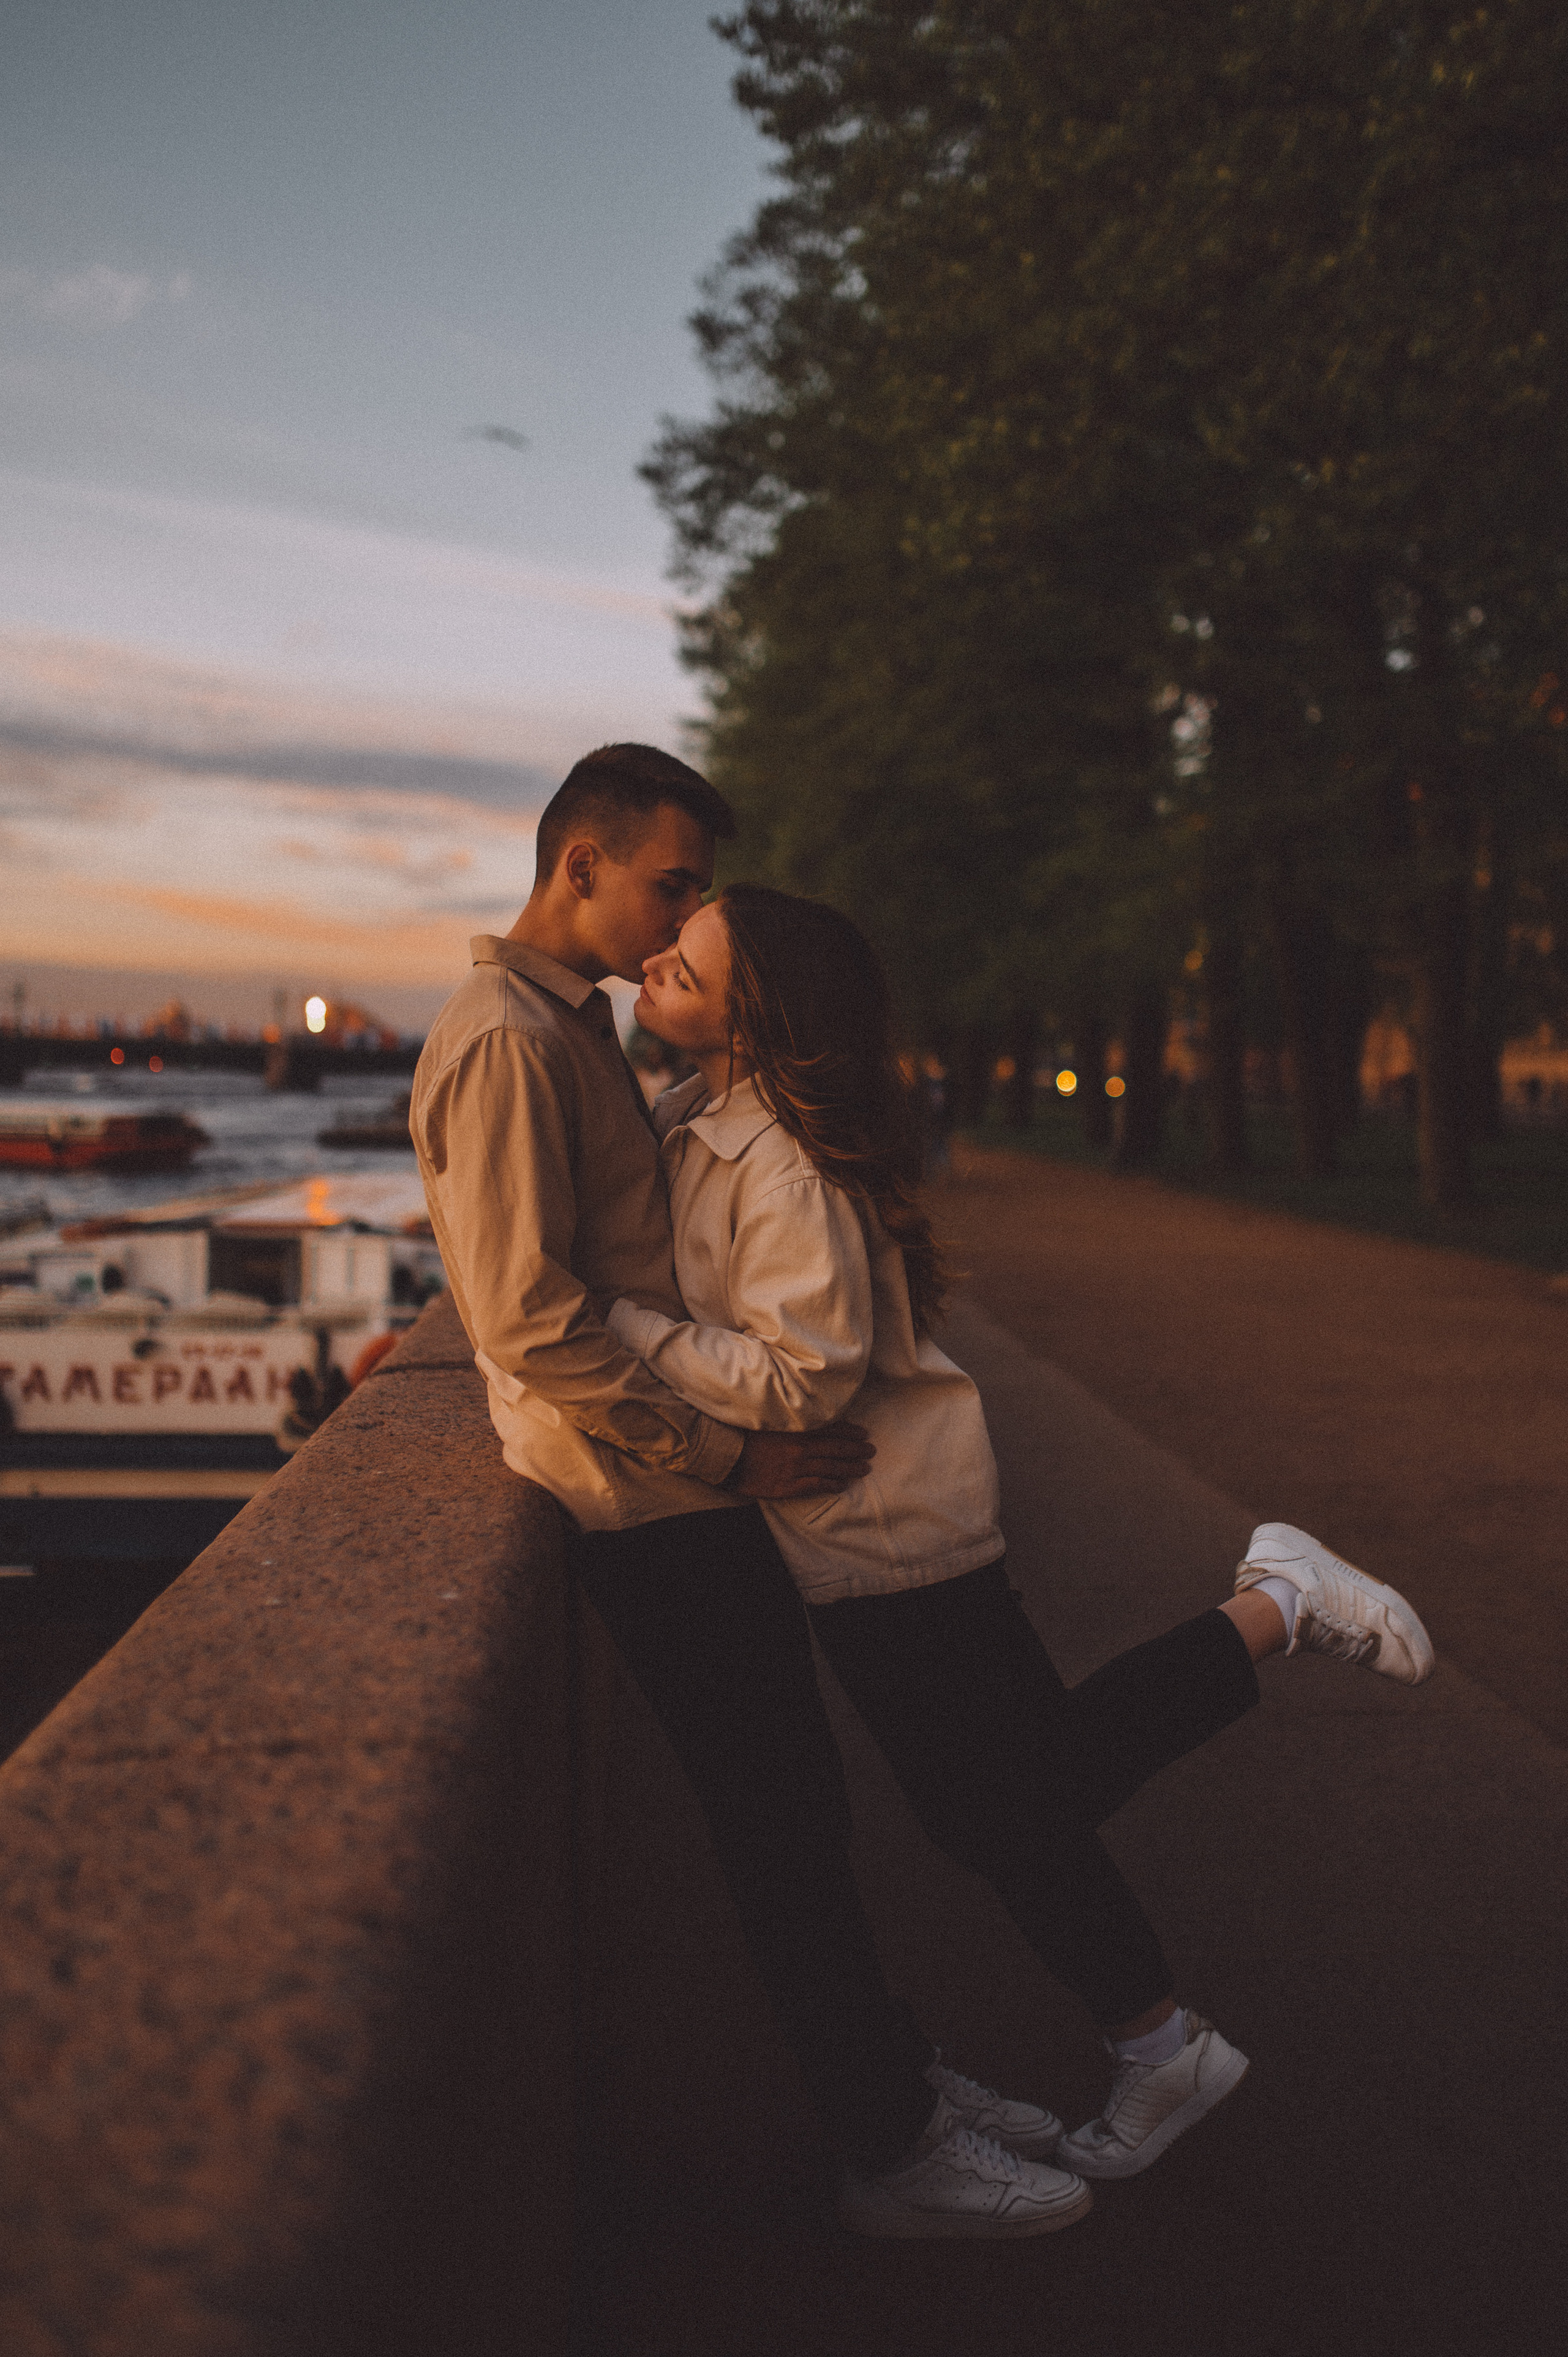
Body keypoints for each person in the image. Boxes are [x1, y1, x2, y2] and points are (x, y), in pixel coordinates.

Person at [610, 881, 1436, 2233]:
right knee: (1005, 1804)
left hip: (894, 1525)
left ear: (752, 1010)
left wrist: (623, 1333)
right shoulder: (697, 1119)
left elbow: (802, 1377)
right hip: (852, 1538)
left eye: (683, 959)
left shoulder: (784, 1166)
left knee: (1027, 1784)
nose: (652, 961)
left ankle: (1279, 1599)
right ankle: (1156, 2047)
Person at [412, 745, 1091, 2244]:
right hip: (642, 1497)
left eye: (694, 899)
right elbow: (522, 1317)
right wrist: (730, 1456)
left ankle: (894, 2082)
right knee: (780, 1824)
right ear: (575, 864)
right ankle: (891, 2149)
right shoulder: (507, 1043)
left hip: (675, 1484)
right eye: (667, 884)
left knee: (798, 1814)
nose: (676, 922)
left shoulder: (568, 1028)